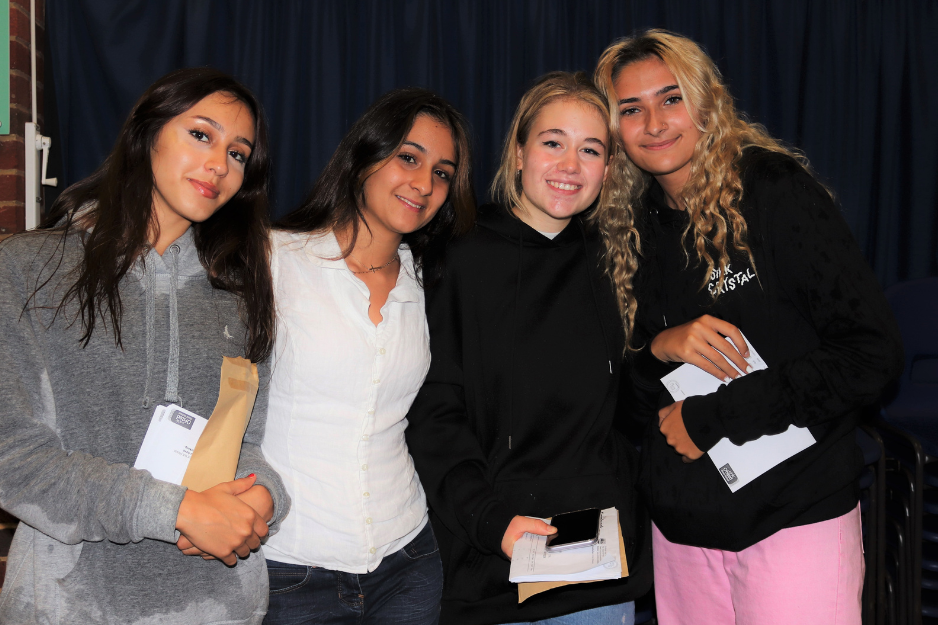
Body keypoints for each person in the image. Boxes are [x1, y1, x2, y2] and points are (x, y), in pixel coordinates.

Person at [594, 29, 903, 625]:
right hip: (683, 534)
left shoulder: (774, 194)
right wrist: (659, 350)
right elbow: (627, 408)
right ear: (614, 129)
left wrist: (715, 419)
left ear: (707, 102)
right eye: (631, 109)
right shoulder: (622, 232)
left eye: (671, 98)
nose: (653, 122)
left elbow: (872, 354)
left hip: (796, 517)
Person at [0, 67, 290, 625]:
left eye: (239, 154)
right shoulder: (30, 268)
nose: (219, 164)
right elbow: (17, 465)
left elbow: (246, 441)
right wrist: (177, 510)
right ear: (148, 133)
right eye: (201, 134)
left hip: (218, 606)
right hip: (66, 606)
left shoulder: (241, 292)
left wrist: (264, 496)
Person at [405, 72, 652, 625]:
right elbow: (434, 418)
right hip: (489, 562)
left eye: (590, 149)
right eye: (552, 142)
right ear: (518, 152)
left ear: (608, 169)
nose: (570, 165)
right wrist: (493, 522)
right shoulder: (457, 257)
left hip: (596, 573)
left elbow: (632, 414)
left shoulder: (619, 260)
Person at [258, 88, 475, 625]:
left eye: (443, 173)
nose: (424, 185)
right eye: (408, 157)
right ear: (363, 157)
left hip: (408, 560)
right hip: (288, 568)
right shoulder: (273, 259)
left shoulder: (431, 284)